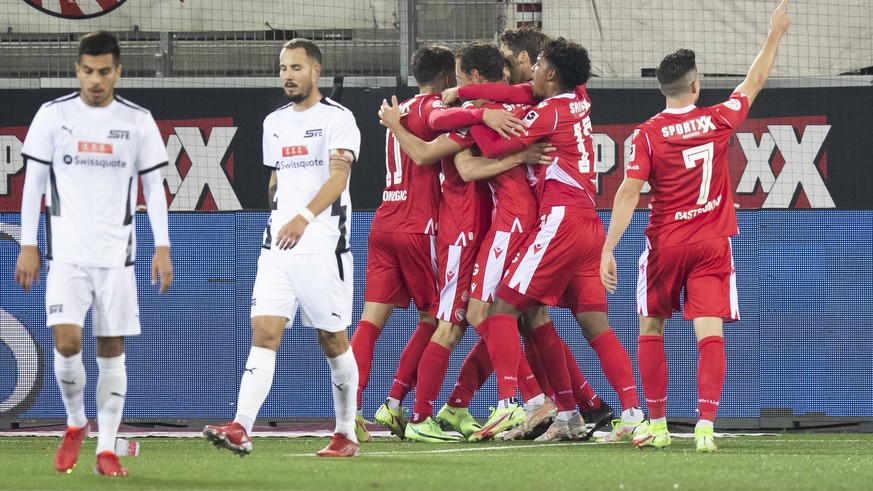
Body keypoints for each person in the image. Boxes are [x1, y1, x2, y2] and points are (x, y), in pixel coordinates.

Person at [599, 0, 791, 452]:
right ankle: (705, 426)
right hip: (711, 244)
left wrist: (607, 248)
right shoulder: (717, 119)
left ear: (663, 90)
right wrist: (775, 34)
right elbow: (755, 81)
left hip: (666, 244)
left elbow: (628, 192)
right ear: (695, 86)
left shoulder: (647, 133)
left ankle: (661, 427)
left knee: (651, 330)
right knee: (710, 334)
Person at [15, 31, 173, 477]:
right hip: (65, 256)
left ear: (117, 71)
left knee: (111, 348)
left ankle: (106, 449)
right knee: (66, 342)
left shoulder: (138, 121)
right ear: (78, 70)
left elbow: (154, 190)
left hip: (117, 258)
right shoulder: (53, 115)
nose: (96, 79)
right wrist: (29, 244)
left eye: (104, 71)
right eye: (88, 71)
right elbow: (34, 186)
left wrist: (163, 246)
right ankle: (74, 422)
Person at [202, 38, 362, 458]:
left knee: (333, 340)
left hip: (324, 247)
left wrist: (303, 218)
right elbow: (276, 179)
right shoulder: (273, 122)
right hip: (278, 247)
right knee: (265, 332)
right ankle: (241, 427)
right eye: (282, 68)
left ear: (316, 71)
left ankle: (346, 433)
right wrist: (281, 215)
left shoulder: (339, 119)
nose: (288, 75)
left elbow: (338, 179)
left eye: (296, 67)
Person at [348, 45, 453, 442]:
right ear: (447, 79)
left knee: (369, 324)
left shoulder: (401, 109)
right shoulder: (433, 111)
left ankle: (350, 411)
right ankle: (394, 402)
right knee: (437, 318)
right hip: (419, 225)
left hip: (383, 222)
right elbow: (430, 157)